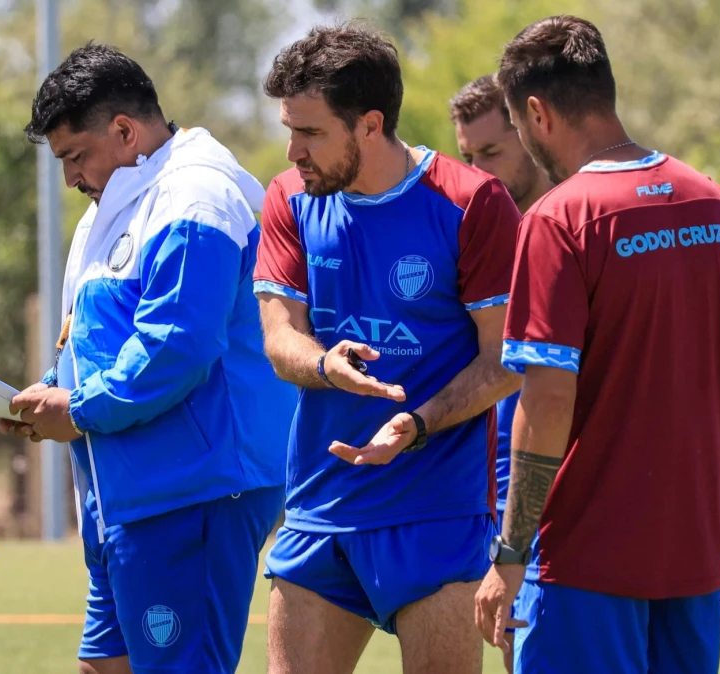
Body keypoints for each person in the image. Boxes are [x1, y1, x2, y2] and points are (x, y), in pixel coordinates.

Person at [473, 15, 720, 674]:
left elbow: (546, 401)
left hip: (583, 567)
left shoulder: (558, 220)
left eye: (518, 126)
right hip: (692, 560)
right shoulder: (712, 203)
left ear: (536, 112)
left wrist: (510, 554)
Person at [3, 43, 295, 674]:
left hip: (192, 490)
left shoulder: (195, 195)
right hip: (129, 493)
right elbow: (96, 336)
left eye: (74, 156)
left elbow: (177, 345)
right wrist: (49, 391)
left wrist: (77, 409)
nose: (70, 178)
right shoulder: (117, 202)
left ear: (125, 131)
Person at [255, 24, 523, 674]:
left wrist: (417, 424)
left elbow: (506, 360)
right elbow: (279, 337)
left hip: (437, 514)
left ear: (370, 125)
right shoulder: (289, 198)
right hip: (321, 508)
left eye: (310, 132)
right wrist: (325, 364)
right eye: (289, 129)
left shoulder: (471, 202)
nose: (293, 150)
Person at [448, 73, 553, 673]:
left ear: (532, 130)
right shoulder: (475, 233)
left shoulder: (572, 224)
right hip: (499, 504)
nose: (479, 172)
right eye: (468, 157)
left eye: (491, 151)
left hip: (570, 501)